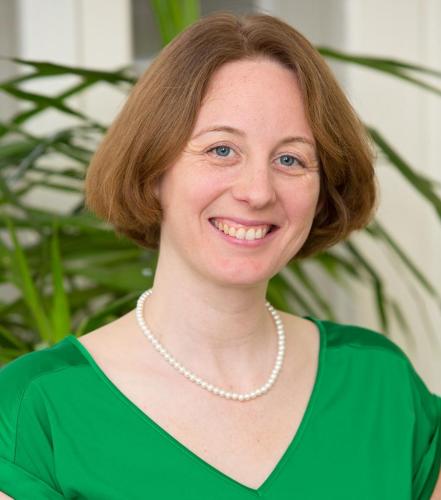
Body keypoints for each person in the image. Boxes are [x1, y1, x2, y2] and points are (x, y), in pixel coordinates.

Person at [1, 11, 440, 500]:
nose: (257, 191)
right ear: (152, 170)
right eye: (221, 150)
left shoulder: (381, 385)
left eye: (290, 159)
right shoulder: (34, 410)